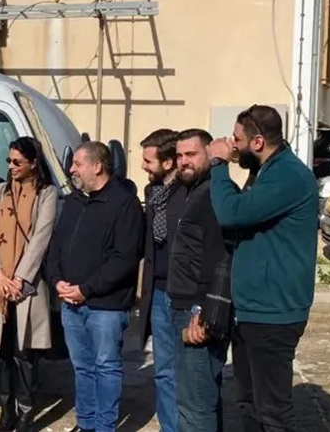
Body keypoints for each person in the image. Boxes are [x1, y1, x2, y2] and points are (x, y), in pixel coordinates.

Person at [207, 105, 318, 432]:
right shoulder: (266, 171)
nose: (232, 143)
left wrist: (218, 165)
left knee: (272, 412)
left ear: (257, 142)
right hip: (253, 310)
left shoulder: (288, 176)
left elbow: (232, 213)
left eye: (237, 138)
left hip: (274, 313)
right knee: (249, 403)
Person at [45, 141, 144, 432]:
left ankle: (104, 427)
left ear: (98, 166)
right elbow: (56, 246)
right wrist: (57, 280)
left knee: (106, 367)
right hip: (70, 302)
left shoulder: (124, 204)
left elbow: (124, 258)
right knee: (82, 368)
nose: (71, 169)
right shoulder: (74, 201)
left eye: (78, 164)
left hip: (106, 306)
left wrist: (86, 289)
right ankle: (86, 424)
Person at [0, 137, 58, 432]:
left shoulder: (46, 193)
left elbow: (41, 237)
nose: (11, 166)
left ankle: (25, 414)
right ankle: (6, 412)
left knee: (25, 354)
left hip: (26, 286)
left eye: (17, 161)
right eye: (9, 160)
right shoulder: (0, 190)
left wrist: (19, 278)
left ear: (33, 163)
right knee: (3, 353)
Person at [166, 130, 228, 432]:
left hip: (196, 309)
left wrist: (200, 310)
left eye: (191, 154)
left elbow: (217, 257)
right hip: (182, 303)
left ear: (208, 154)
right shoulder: (190, 191)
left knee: (195, 404)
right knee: (199, 397)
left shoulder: (214, 194)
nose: (183, 161)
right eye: (179, 156)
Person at [135, 128, 179, 432]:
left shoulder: (189, 192)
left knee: (190, 372)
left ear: (168, 162)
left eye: (148, 160)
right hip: (159, 291)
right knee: (164, 370)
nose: (143, 166)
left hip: (185, 294)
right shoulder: (152, 193)